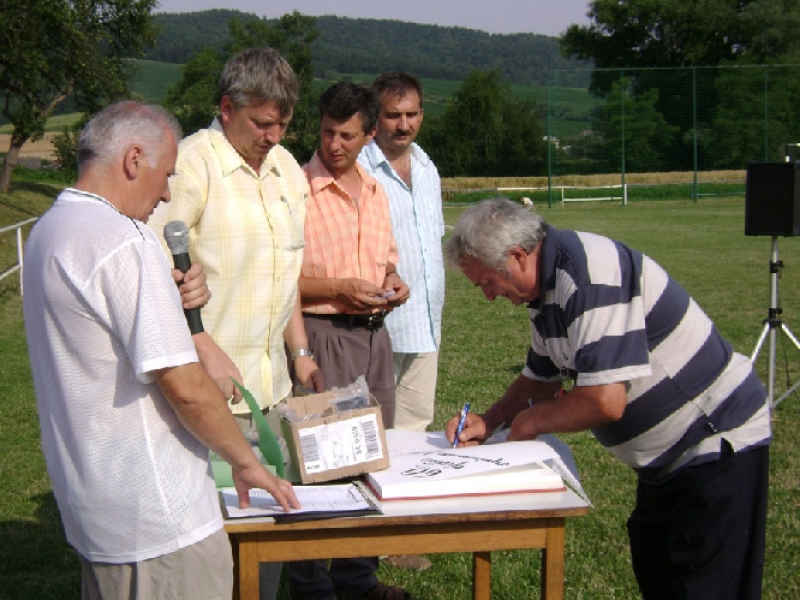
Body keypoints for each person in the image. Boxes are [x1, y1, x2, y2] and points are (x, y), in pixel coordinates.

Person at [22, 101, 299, 600]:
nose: (167, 192)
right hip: (158, 521)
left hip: (96, 508)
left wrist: (178, 312)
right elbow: (187, 387)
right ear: (133, 160)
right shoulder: (126, 242)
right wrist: (244, 459)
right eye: (166, 174)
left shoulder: (49, 231)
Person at [443, 198, 771, 600]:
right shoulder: (545, 292)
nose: (488, 296)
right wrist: (490, 420)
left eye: (487, 282)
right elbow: (539, 379)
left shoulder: (588, 275)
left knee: (705, 586)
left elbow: (604, 400)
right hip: (666, 464)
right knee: (659, 571)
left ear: (518, 256)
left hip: (714, 441)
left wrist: (532, 422)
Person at [147, 47, 324, 600]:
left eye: (284, 125)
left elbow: (286, 271)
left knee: (262, 547)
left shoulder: (287, 170)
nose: (274, 135)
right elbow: (146, 266)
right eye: (263, 123)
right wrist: (193, 334)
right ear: (226, 108)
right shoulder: (191, 164)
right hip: (203, 401)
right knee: (206, 555)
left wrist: (299, 352)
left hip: (268, 394)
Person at [288, 81, 411, 600]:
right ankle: (312, 587)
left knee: (366, 461)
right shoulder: (295, 188)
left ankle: (358, 580)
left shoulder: (377, 190)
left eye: (346, 135)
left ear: (367, 135)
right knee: (321, 466)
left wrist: (394, 282)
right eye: (326, 132)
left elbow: (385, 257)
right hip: (323, 334)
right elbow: (282, 278)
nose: (333, 144)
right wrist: (337, 288)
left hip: (374, 338)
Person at [358, 71, 445, 433]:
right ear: (375, 117)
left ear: (422, 114)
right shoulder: (358, 170)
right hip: (378, 326)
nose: (403, 124)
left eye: (411, 114)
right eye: (393, 115)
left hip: (426, 323)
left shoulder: (428, 169)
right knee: (368, 428)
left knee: (414, 430)